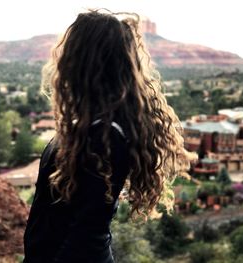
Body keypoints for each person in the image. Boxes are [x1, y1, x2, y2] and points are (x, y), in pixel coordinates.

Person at [23, 9, 194, 263]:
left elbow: (86, 234)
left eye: (70, 48)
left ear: (84, 59)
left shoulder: (106, 137)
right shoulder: (89, 126)